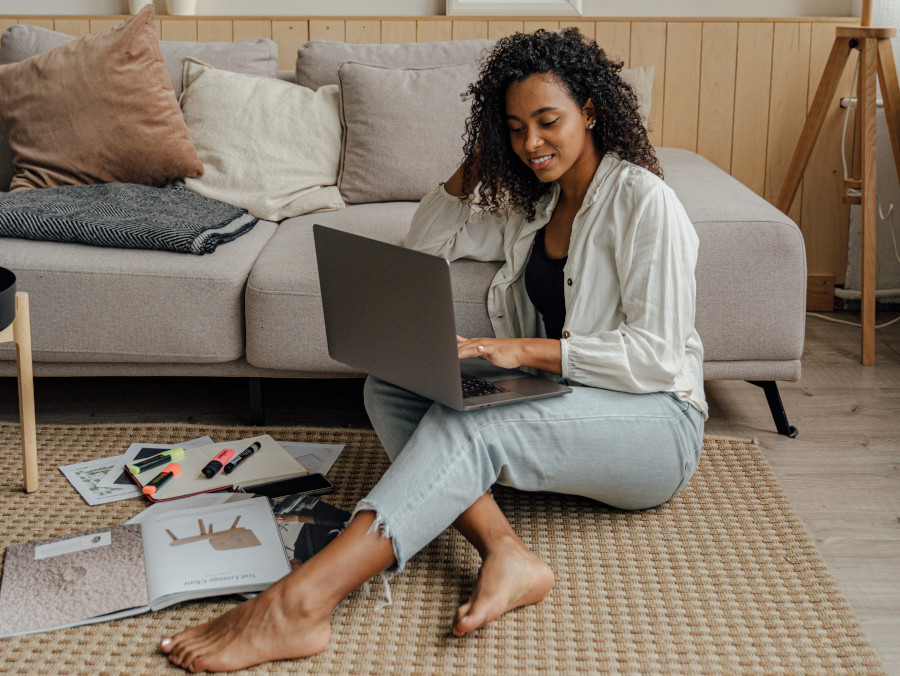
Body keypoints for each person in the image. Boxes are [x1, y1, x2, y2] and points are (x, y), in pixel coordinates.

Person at [160, 27, 707, 673]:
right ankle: (506, 552)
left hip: (657, 424)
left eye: (547, 121)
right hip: (571, 403)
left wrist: (518, 352)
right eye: (513, 127)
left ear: (591, 110)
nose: (531, 143)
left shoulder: (646, 202)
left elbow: (657, 358)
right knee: (390, 385)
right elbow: (426, 242)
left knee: (468, 429)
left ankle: (303, 602)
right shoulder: (537, 206)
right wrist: (476, 162)